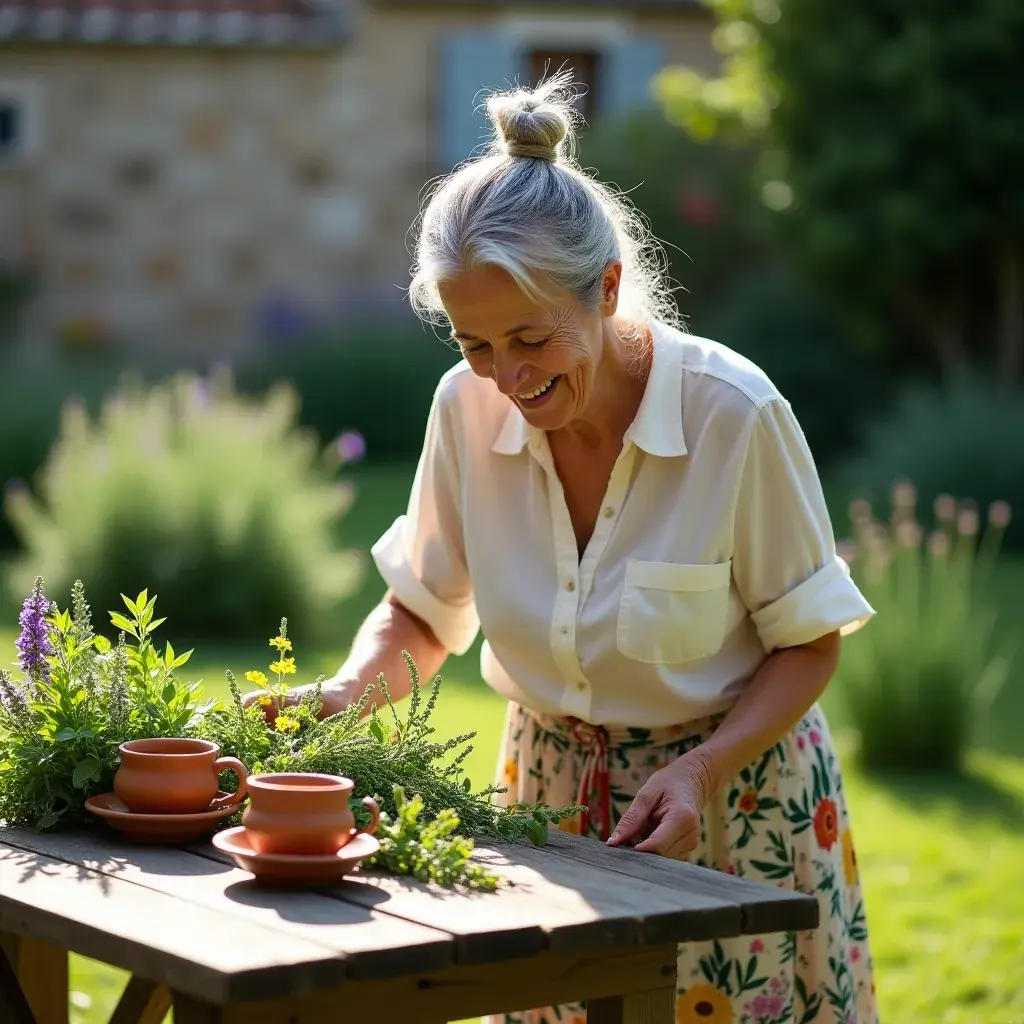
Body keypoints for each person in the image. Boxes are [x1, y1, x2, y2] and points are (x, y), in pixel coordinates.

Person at [246, 73, 878, 1024]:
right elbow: (423, 607)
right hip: (545, 806)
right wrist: (345, 693)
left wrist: (700, 770)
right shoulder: (464, 412)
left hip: (729, 806)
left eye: (531, 338)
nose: (507, 376)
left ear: (609, 289)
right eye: (476, 345)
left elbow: (809, 640)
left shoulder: (734, 415)